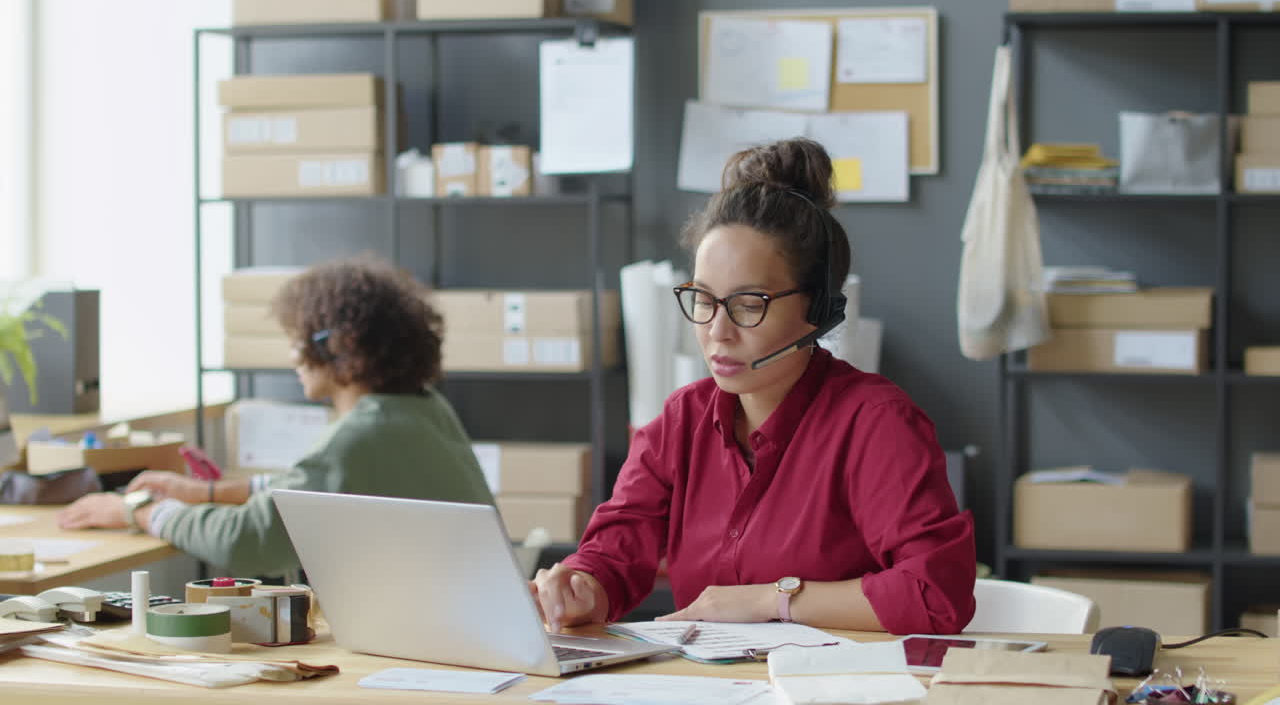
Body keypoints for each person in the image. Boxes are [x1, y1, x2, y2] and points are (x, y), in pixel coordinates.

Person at [530, 138, 975, 635]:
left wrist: (772, 599)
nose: (717, 331)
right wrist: (583, 588)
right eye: (703, 300)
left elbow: (935, 595)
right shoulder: (682, 420)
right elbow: (615, 551)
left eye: (747, 305)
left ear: (818, 310)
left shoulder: (876, 423)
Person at [58, 255, 494, 575]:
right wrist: (206, 492)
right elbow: (311, 487)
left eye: (296, 340)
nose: (292, 356)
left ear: (335, 346)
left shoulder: (363, 434)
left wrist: (140, 512)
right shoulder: (420, 408)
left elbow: (247, 541)